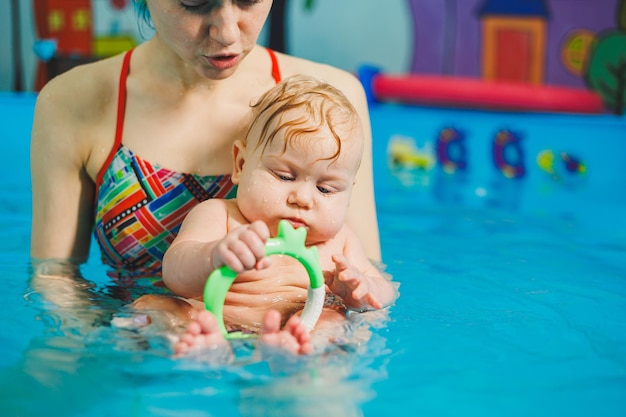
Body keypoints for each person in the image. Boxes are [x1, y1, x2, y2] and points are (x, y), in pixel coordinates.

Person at [30, 0, 380, 291]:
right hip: (139, 350)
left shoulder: (333, 105)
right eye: (194, 2)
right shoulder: (72, 102)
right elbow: (55, 281)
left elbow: (367, 284)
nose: (227, 32)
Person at [136, 74, 397, 357]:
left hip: (300, 324)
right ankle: (198, 345)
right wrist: (214, 254)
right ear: (241, 163)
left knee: (332, 321)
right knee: (153, 306)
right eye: (284, 176)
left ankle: (297, 352)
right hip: (211, 318)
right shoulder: (220, 215)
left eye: (325, 188)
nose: (302, 198)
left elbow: (385, 292)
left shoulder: (341, 242)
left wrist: (361, 289)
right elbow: (174, 273)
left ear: (348, 194)